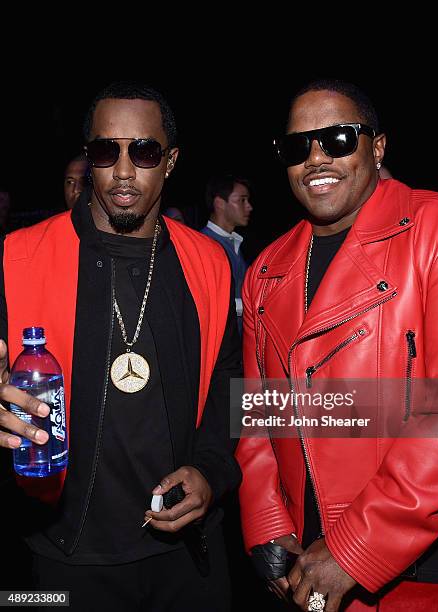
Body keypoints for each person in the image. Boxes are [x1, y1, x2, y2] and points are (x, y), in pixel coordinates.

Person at [236, 79, 438, 611]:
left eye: (339, 139)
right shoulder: (266, 271)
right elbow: (258, 415)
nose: (316, 159)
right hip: (305, 563)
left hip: (422, 572)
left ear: (378, 147)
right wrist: (265, 524)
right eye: (298, 147)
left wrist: (354, 549)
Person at [0, 81, 241, 612]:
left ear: (171, 160)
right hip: (61, 558)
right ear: (90, 160)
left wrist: (211, 472)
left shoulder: (210, 264)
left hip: (187, 556)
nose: (125, 170)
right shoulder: (16, 259)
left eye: (146, 151)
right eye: (107, 151)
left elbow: (229, 385)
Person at [201, 175, 253, 329]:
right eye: (242, 200)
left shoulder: (235, 243)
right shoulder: (204, 244)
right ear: (219, 204)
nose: (249, 206)